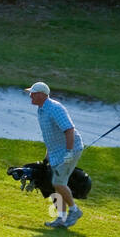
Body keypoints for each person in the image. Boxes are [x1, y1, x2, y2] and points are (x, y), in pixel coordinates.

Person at [26, 81, 84, 228]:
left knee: (58, 183)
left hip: (69, 150)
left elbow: (69, 130)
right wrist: (48, 155)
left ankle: (75, 210)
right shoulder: (41, 110)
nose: (30, 96)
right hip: (56, 152)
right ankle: (61, 218)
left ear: (41, 95)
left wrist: (69, 152)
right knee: (55, 184)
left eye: (32, 94)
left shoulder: (54, 108)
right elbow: (49, 135)